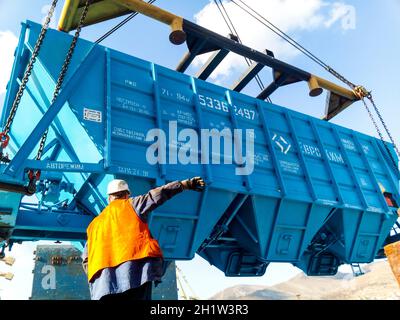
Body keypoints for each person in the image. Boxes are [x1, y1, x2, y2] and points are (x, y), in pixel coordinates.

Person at [81, 177, 205, 300]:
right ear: (126, 195)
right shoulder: (132, 204)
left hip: (103, 284)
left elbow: (86, 259)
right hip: (136, 272)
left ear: (109, 198)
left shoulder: (93, 225)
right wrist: (184, 184)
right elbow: (158, 195)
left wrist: (100, 279)